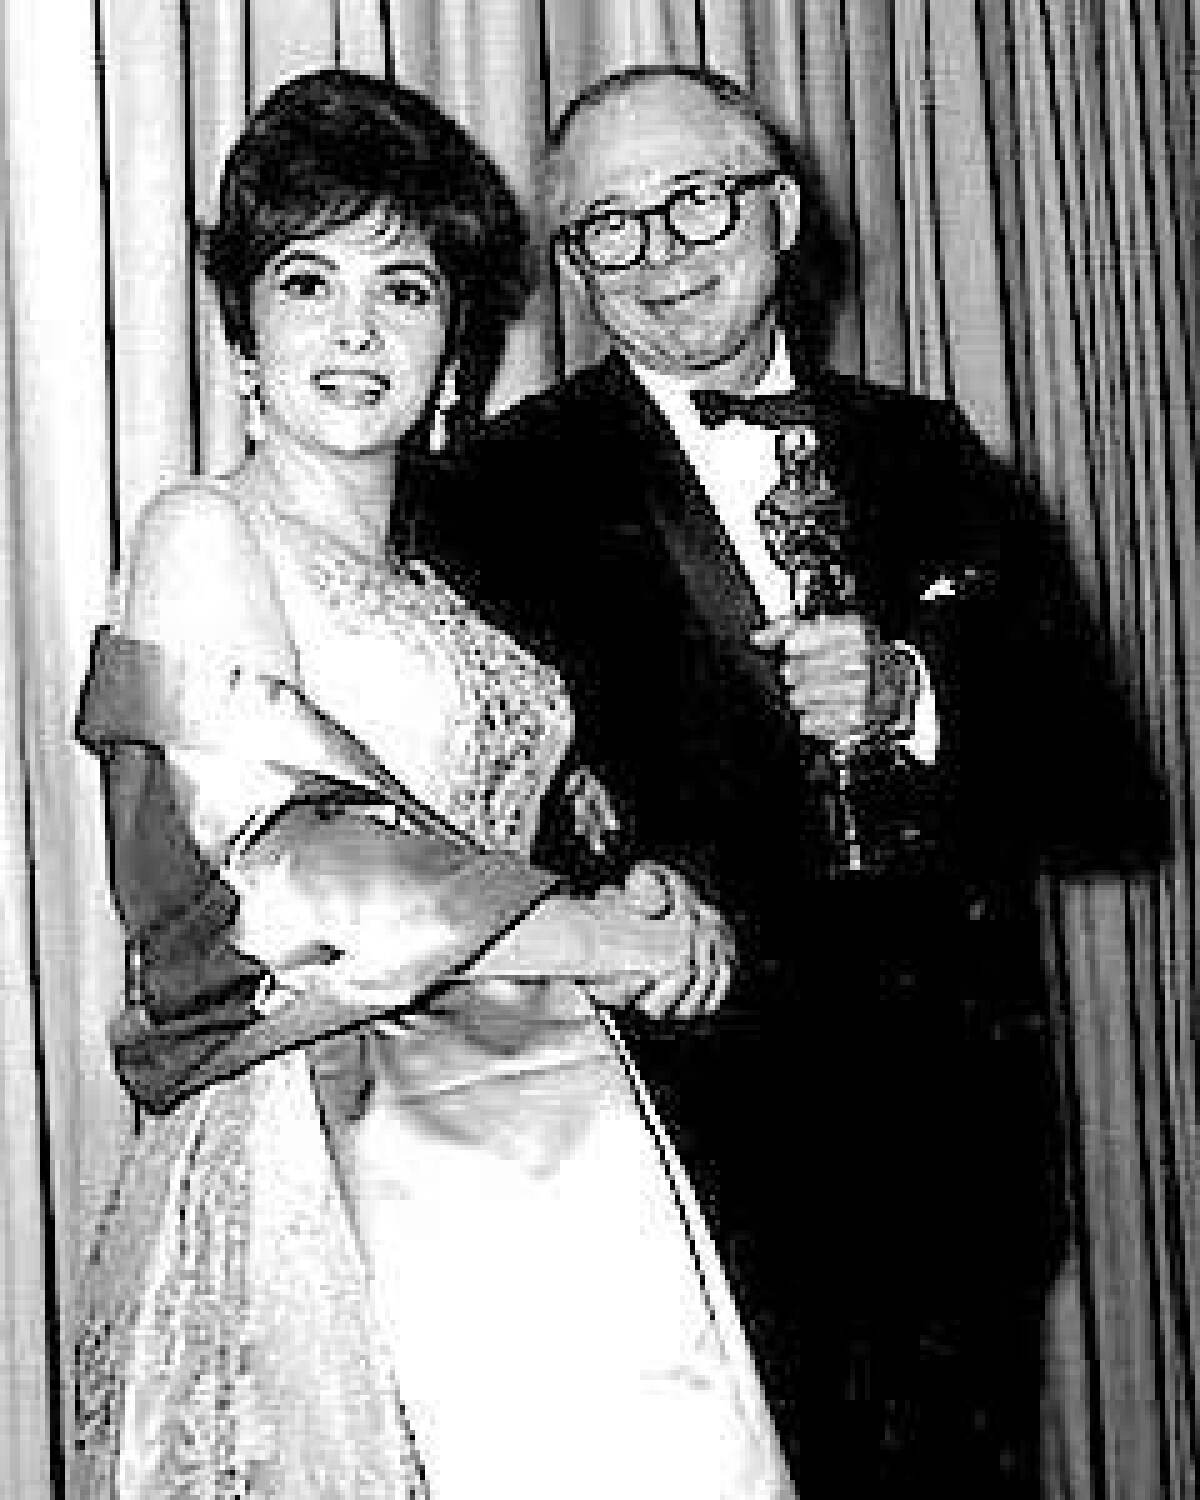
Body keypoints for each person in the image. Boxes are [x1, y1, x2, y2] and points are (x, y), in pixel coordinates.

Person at [410, 63, 1169, 1493]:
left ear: (783, 207)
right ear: (572, 263)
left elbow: (1102, 794)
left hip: (959, 1187)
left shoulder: (933, 452)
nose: (663, 252)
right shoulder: (490, 496)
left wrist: (914, 696)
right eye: (611, 226)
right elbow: (456, 846)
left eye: (695, 197)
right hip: (686, 1200)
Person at [72, 69, 798, 1499]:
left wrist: (628, 887)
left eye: (403, 289)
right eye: (306, 282)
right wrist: (589, 935)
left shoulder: (446, 590)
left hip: (545, 1155)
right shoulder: (205, 530)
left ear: (454, 345)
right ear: (242, 337)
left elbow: (486, 818)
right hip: (335, 1161)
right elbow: (274, 870)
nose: (354, 328)